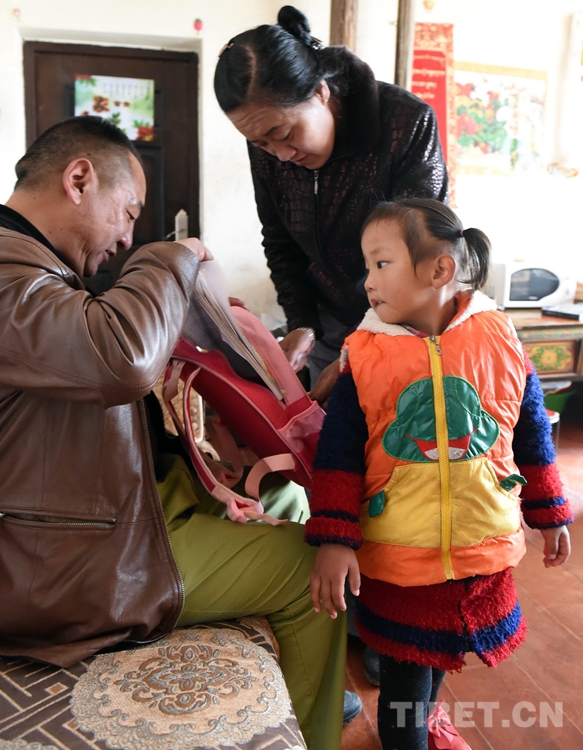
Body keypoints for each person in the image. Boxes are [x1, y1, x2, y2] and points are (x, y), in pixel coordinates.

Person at [0, 116, 352, 750]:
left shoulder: (36, 270)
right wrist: (172, 255)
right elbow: (121, 356)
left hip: (95, 515)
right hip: (58, 563)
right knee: (312, 567)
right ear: (79, 179)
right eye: (128, 213)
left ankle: (308, 680)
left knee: (286, 494)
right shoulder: (7, 271)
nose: (127, 236)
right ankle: (314, 730)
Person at [304, 198, 573, 750]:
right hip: (399, 556)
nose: (367, 281)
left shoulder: (500, 339)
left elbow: (531, 434)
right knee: (405, 676)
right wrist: (335, 538)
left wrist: (550, 513)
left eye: (381, 264)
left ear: (439, 270)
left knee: (443, 654)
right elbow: (338, 455)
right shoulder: (366, 356)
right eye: (367, 266)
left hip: (480, 544)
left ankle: (427, 720)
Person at [214, 5, 448, 403]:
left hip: (407, 325)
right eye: (261, 143)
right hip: (330, 324)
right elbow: (281, 244)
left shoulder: (405, 122)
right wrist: (302, 325)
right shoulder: (269, 150)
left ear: (321, 91)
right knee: (332, 432)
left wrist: (364, 346)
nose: (281, 155)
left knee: (400, 432)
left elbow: (418, 255)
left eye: (284, 133)